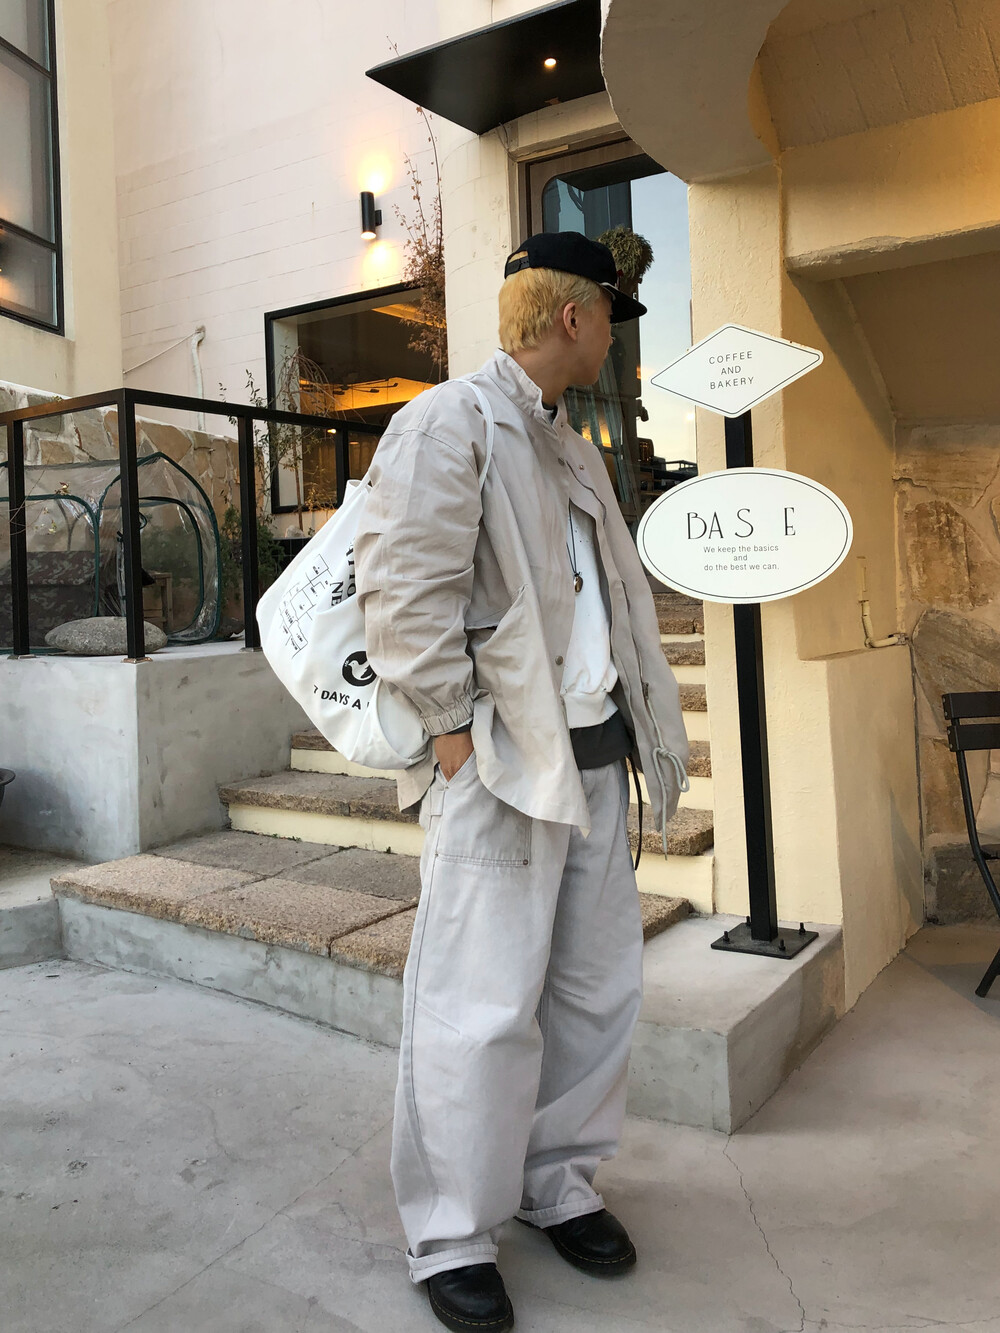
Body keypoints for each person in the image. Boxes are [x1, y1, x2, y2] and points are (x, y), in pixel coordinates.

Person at [354, 231, 689, 1333]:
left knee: (594, 991)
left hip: (593, 760)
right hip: (499, 766)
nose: (614, 342)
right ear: (573, 316)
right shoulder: (449, 423)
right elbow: (403, 590)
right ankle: (452, 1230)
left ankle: (559, 1183)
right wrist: (453, 739)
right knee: (480, 1003)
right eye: (611, 320)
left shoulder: (571, 447)